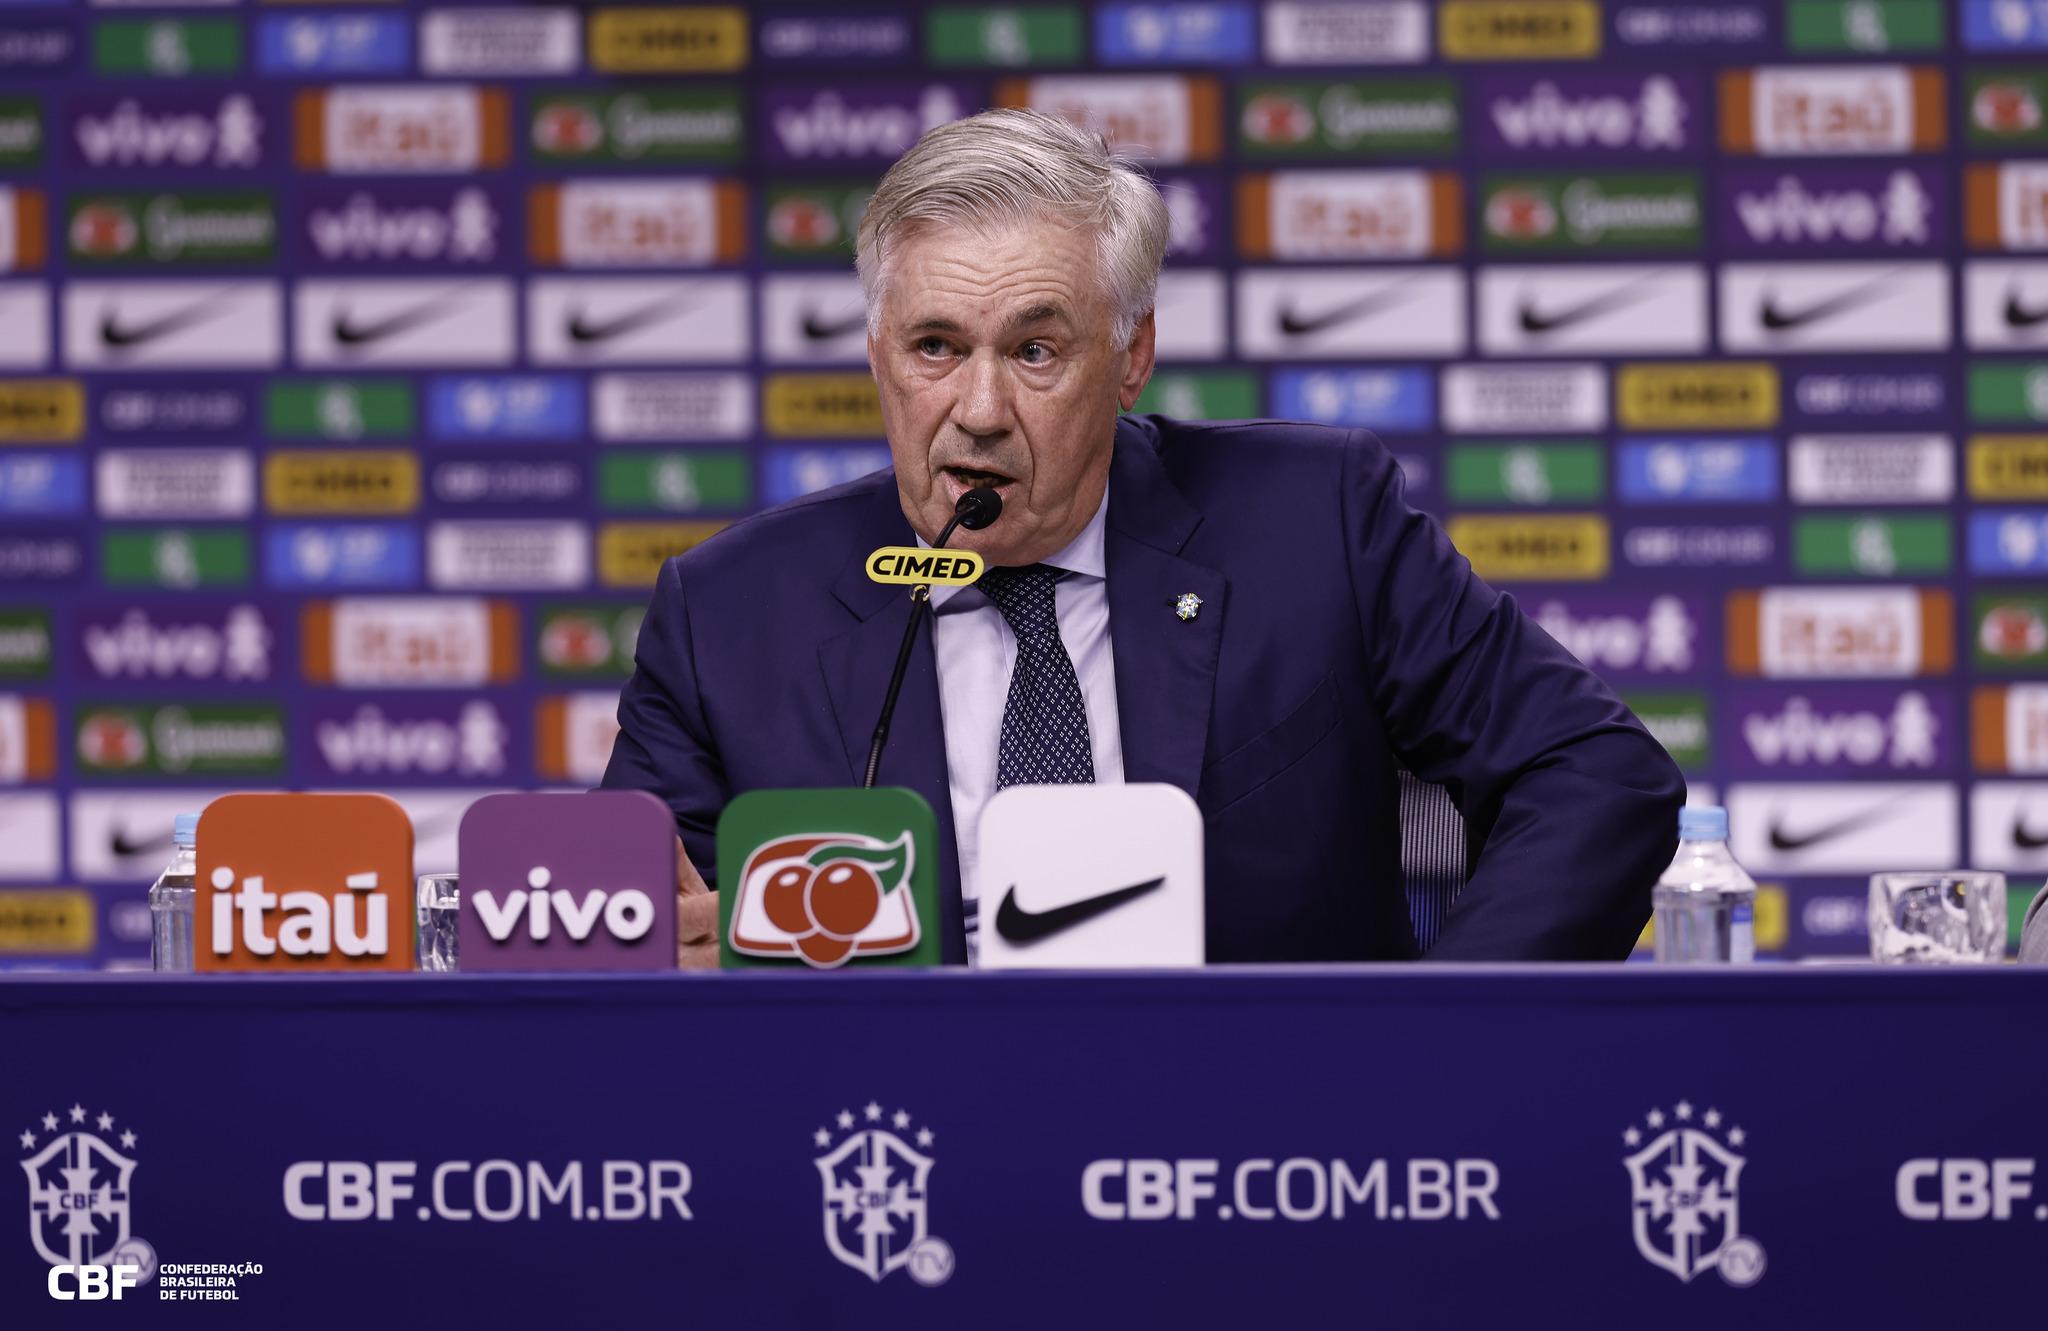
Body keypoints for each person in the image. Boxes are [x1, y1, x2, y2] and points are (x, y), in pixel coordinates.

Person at [602, 108, 1685, 967]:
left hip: (1269, 1158)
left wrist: (1430, 1047)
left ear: (1130, 357)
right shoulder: (730, 616)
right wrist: (681, 977)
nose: (977, 408)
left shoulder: (1314, 526)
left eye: (1035, 350)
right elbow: (631, 920)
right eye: (935, 346)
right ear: (877, 355)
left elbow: (1593, 771)